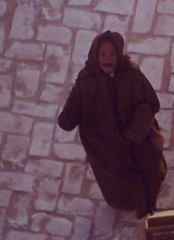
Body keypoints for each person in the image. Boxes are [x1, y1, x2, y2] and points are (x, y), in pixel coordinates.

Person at [58, 30, 167, 218]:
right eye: (103, 54)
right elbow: (73, 111)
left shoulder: (131, 75)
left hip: (138, 139)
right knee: (116, 181)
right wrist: (69, 115)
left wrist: (133, 136)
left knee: (149, 172)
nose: (108, 59)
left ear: (119, 54)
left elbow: (148, 104)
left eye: (112, 54)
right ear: (96, 55)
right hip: (105, 145)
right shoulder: (87, 81)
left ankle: (147, 204)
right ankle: (125, 203)